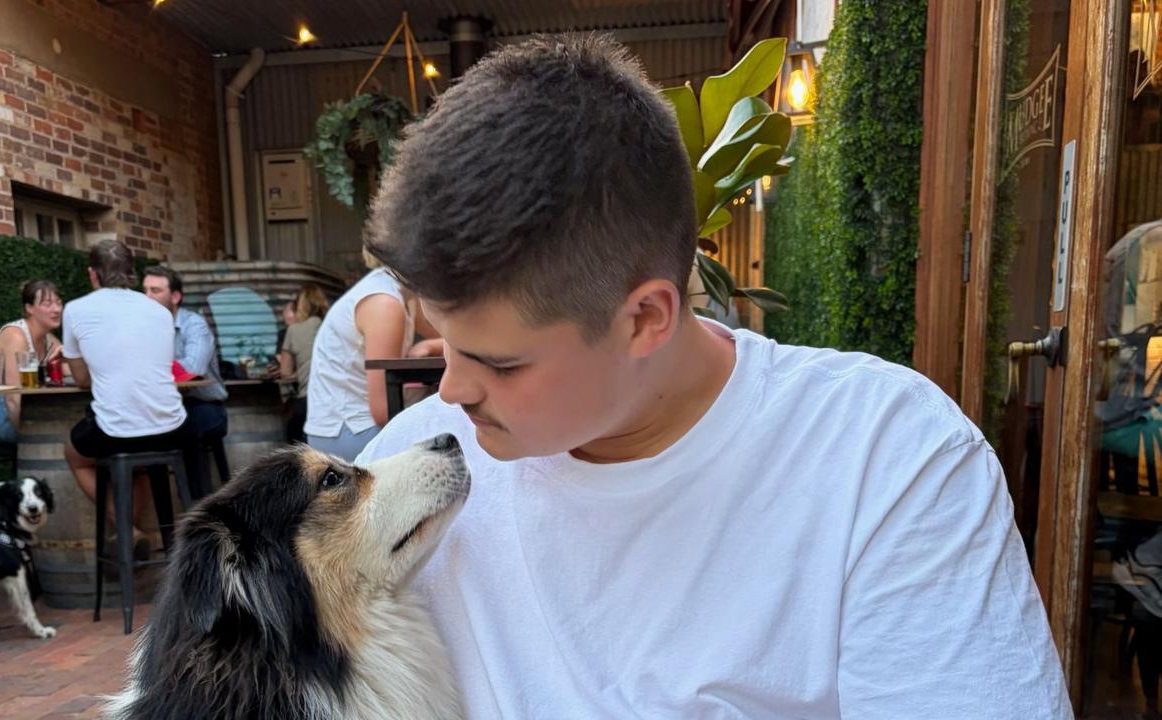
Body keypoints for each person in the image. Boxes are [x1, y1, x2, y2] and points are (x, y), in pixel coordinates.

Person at [356, 36, 1073, 718]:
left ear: (645, 319)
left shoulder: (885, 460)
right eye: (440, 343)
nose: (451, 391)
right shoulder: (415, 474)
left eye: (500, 362)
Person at [63, 240, 188, 549]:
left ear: (93, 274)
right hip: (171, 429)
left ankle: (125, 527)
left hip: (115, 432)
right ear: (133, 274)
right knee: (143, 463)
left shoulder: (76, 309)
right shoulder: (160, 312)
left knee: (74, 453)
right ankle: (143, 537)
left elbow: (80, 378)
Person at [302, 257, 415, 461]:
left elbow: (447, 337)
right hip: (349, 431)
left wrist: (431, 345)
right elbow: (385, 411)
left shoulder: (399, 292)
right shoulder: (384, 303)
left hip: (343, 427)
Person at [142, 264, 228, 496]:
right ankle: (165, 521)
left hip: (205, 405)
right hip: (167, 406)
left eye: (156, 291)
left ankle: (198, 513)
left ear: (176, 296)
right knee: (145, 436)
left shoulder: (194, 325)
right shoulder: (143, 328)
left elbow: (193, 368)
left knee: (188, 429)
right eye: (145, 290)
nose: (147, 297)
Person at [0, 280, 64, 442]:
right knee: (69, 434)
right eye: (47, 304)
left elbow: (74, 374)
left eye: (58, 303)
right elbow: (13, 398)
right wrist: (30, 434)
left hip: (39, 408)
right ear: (29, 309)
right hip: (8, 416)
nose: (56, 309)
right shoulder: (15, 335)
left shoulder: (50, 341)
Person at [278, 284, 328, 442]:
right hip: (334, 402)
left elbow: (285, 372)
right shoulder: (332, 325)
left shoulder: (294, 330)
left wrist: (301, 372)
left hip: (308, 402)